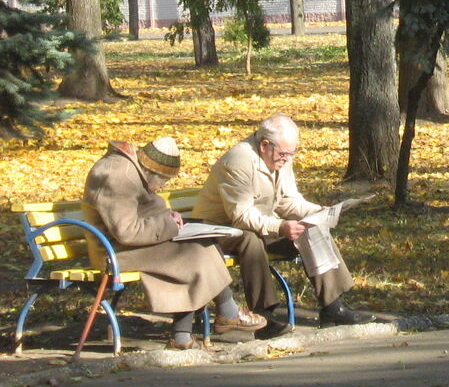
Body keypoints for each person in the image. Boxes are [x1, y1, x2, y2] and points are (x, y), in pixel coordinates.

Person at [193, 113, 374, 339]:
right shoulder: (238, 161)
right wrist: (280, 227)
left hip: (256, 224)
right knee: (251, 240)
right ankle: (264, 316)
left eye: (292, 153)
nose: (288, 160)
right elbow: (240, 215)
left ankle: (332, 307)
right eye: (284, 154)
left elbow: (288, 200)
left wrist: (318, 212)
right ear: (264, 145)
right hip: (216, 230)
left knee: (312, 228)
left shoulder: (280, 158)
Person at [82, 137, 266, 350]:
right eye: (163, 181)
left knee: (201, 246)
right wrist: (168, 224)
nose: (161, 187)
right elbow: (127, 231)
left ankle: (189, 333)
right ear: (152, 172)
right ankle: (222, 315)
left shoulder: (132, 170)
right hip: (113, 252)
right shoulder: (118, 176)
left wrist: (169, 217)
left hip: (132, 245)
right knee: (195, 254)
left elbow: (143, 211)